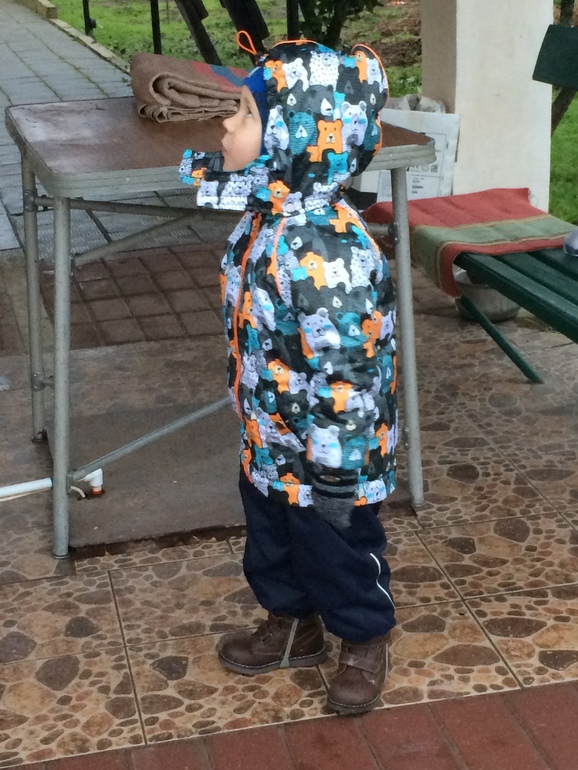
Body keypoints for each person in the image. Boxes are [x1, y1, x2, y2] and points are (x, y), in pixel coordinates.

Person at [179, 37, 397, 716]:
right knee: (270, 540)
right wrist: (206, 163)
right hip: (270, 431)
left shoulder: (329, 252)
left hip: (331, 455)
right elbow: (226, 177)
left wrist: (335, 469)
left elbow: (351, 372)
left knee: (338, 550)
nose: (227, 124)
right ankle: (293, 623)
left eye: (245, 113)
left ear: (294, 138)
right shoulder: (268, 213)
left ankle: (364, 635)